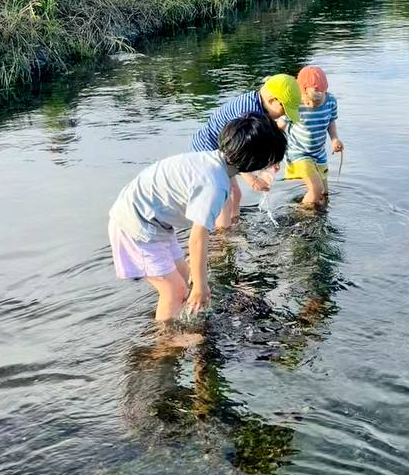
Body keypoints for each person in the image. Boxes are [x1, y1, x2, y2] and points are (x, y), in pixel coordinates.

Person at [109, 114, 287, 341]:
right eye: (270, 161)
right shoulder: (215, 184)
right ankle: (164, 345)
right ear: (254, 161)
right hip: (136, 225)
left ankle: (178, 324)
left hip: (153, 220)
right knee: (174, 291)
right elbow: (197, 239)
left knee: (184, 279)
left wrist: (198, 281)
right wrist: (202, 286)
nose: (272, 168)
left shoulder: (212, 160)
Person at [191, 74, 301, 227]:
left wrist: (272, 159)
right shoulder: (248, 112)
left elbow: (263, 138)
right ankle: (223, 240)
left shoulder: (259, 104)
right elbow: (237, 152)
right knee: (224, 198)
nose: (283, 115)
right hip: (208, 152)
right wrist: (252, 180)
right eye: (284, 110)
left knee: (236, 194)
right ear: (272, 100)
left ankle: (234, 225)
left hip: (224, 152)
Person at [284, 65, 343, 208]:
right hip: (298, 152)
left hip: (318, 153)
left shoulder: (331, 101)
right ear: (300, 93)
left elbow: (330, 122)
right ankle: (301, 217)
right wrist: (277, 125)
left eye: (317, 102)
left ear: (325, 91)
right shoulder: (294, 103)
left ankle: (318, 215)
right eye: (307, 101)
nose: (311, 105)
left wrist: (334, 138)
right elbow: (282, 123)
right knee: (316, 189)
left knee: (324, 193)